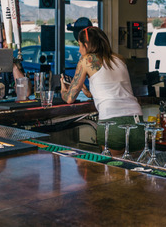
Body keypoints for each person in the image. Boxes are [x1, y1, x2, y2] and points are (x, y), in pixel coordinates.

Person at [60, 26, 144, 154]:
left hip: (112, 122)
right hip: (136, 120)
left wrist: (63, 89)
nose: (79, 50)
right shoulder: (118, 58)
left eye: (80, 45)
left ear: (87, 44)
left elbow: (69, 99)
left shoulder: (86, 60)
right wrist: (87, 92)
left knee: (112, 170)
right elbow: (114, 89)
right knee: (138, 170)